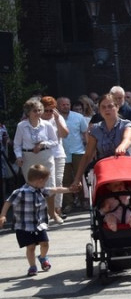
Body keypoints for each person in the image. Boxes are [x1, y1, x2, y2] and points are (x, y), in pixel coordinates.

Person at [1, 164, 73, 276]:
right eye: (45, 181)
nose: (45, 184)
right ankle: (32, 266)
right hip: (24, 226)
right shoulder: (20, 192)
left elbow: (55, 190)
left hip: (39, 224)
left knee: (45, 243)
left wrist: (70, 189)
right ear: (40, 180)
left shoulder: (41, 190)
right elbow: (8, 202)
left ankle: (43, 257)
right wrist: (3, 215)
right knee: (31, 247)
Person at [72, 94, 131, 193]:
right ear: (99, 110)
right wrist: (77, 179)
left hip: (123, 168)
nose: (107, 110)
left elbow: (128, 138)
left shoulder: (126, 124)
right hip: (105, 172)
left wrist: (122, 146)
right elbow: (88, 155)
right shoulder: (95, 129)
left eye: (110, 106)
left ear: (117, 107)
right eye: (103, 107)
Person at [14, 100, 60, 223]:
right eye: (35, 111)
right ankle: (38, 215)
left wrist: (43, 144)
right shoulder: (21, 126)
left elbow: (55, 141)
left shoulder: (47, 125)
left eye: (40, 110)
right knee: (33, 186)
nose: (38, 113)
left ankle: (53, 213)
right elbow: (17, 144)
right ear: (28, 112)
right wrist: (19, 157)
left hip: (45, 155)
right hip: (28, 157)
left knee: (49, 185)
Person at [38, 96, 69, 224]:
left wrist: (57, 120)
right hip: (43, 155)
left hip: (58, 153)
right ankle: (47, 210)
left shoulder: (58, 117)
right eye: (46, 110)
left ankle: (57, 209)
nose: (49, 113)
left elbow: (64, 134)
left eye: (51, 110)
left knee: (58, 181)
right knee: (46, 183)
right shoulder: (37, 120)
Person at [57, 96, 89, 213]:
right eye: (63, 105)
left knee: (80, 177)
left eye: (67, 104)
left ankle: (83, 200)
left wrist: (88, 148)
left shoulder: (78, 117)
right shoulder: (54, 118)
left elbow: (85, 133)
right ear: (58, 106)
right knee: (65, 179)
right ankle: (68, 203)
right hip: (62, 152)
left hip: (78, 151)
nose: (66, 107)